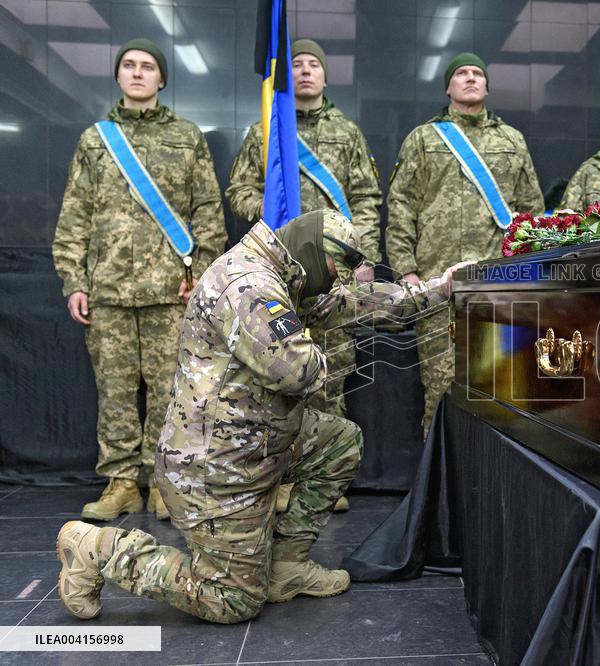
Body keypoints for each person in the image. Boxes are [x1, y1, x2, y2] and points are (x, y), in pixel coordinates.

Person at [55, 209, 472, 624]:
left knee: (339, 442)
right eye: (334, 270)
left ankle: (284, 570)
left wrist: (442, 288)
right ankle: (99, 548)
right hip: (213, 469)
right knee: (232, 600)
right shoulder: (249, 285)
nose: (336, 282)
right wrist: (322, 351)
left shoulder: (287, 274)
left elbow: (358, 305)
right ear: (313, 252)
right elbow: (297, 371)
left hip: (256, 440)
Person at [51, 38, 226, 522]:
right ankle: (123, 482)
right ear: (118, 76)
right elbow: (75, 216)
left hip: (171, 289)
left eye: (147, 66)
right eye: (128, 65)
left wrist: (200, 273)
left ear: (161, 79)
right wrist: (75, 281)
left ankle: (163, 483)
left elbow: (207, 211)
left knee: (173, 390)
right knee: (115, 391)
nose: (137, 72)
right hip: (107, 290)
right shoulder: (95, 139)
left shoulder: (187, 137)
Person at [228, 38, 382, 513]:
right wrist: (271, 211)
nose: (306, 71)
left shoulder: (348, 133)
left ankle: (322, 475)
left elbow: (367, 199)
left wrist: (364, 259)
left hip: (334, 270)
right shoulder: (266, 130)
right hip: (279, 269)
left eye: (314, 64)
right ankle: (277, 475)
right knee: (276, 371)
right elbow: (238, 189)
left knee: (328, 371)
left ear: (326, 76)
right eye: (297, 64)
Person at [386, 52, 544, 434]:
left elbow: (532, 211)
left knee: (500, 392)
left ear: (487, 86)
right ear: (448, 87)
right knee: (440, 393)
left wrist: (525, 273)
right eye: (461, 73)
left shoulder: (512, 140)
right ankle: (437, 491)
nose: (470, 78)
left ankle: (489, 492)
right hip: (440, 285)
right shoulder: (424, 139)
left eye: (478, 73)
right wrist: (406, 270)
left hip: (498, 285)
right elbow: (401, 205)